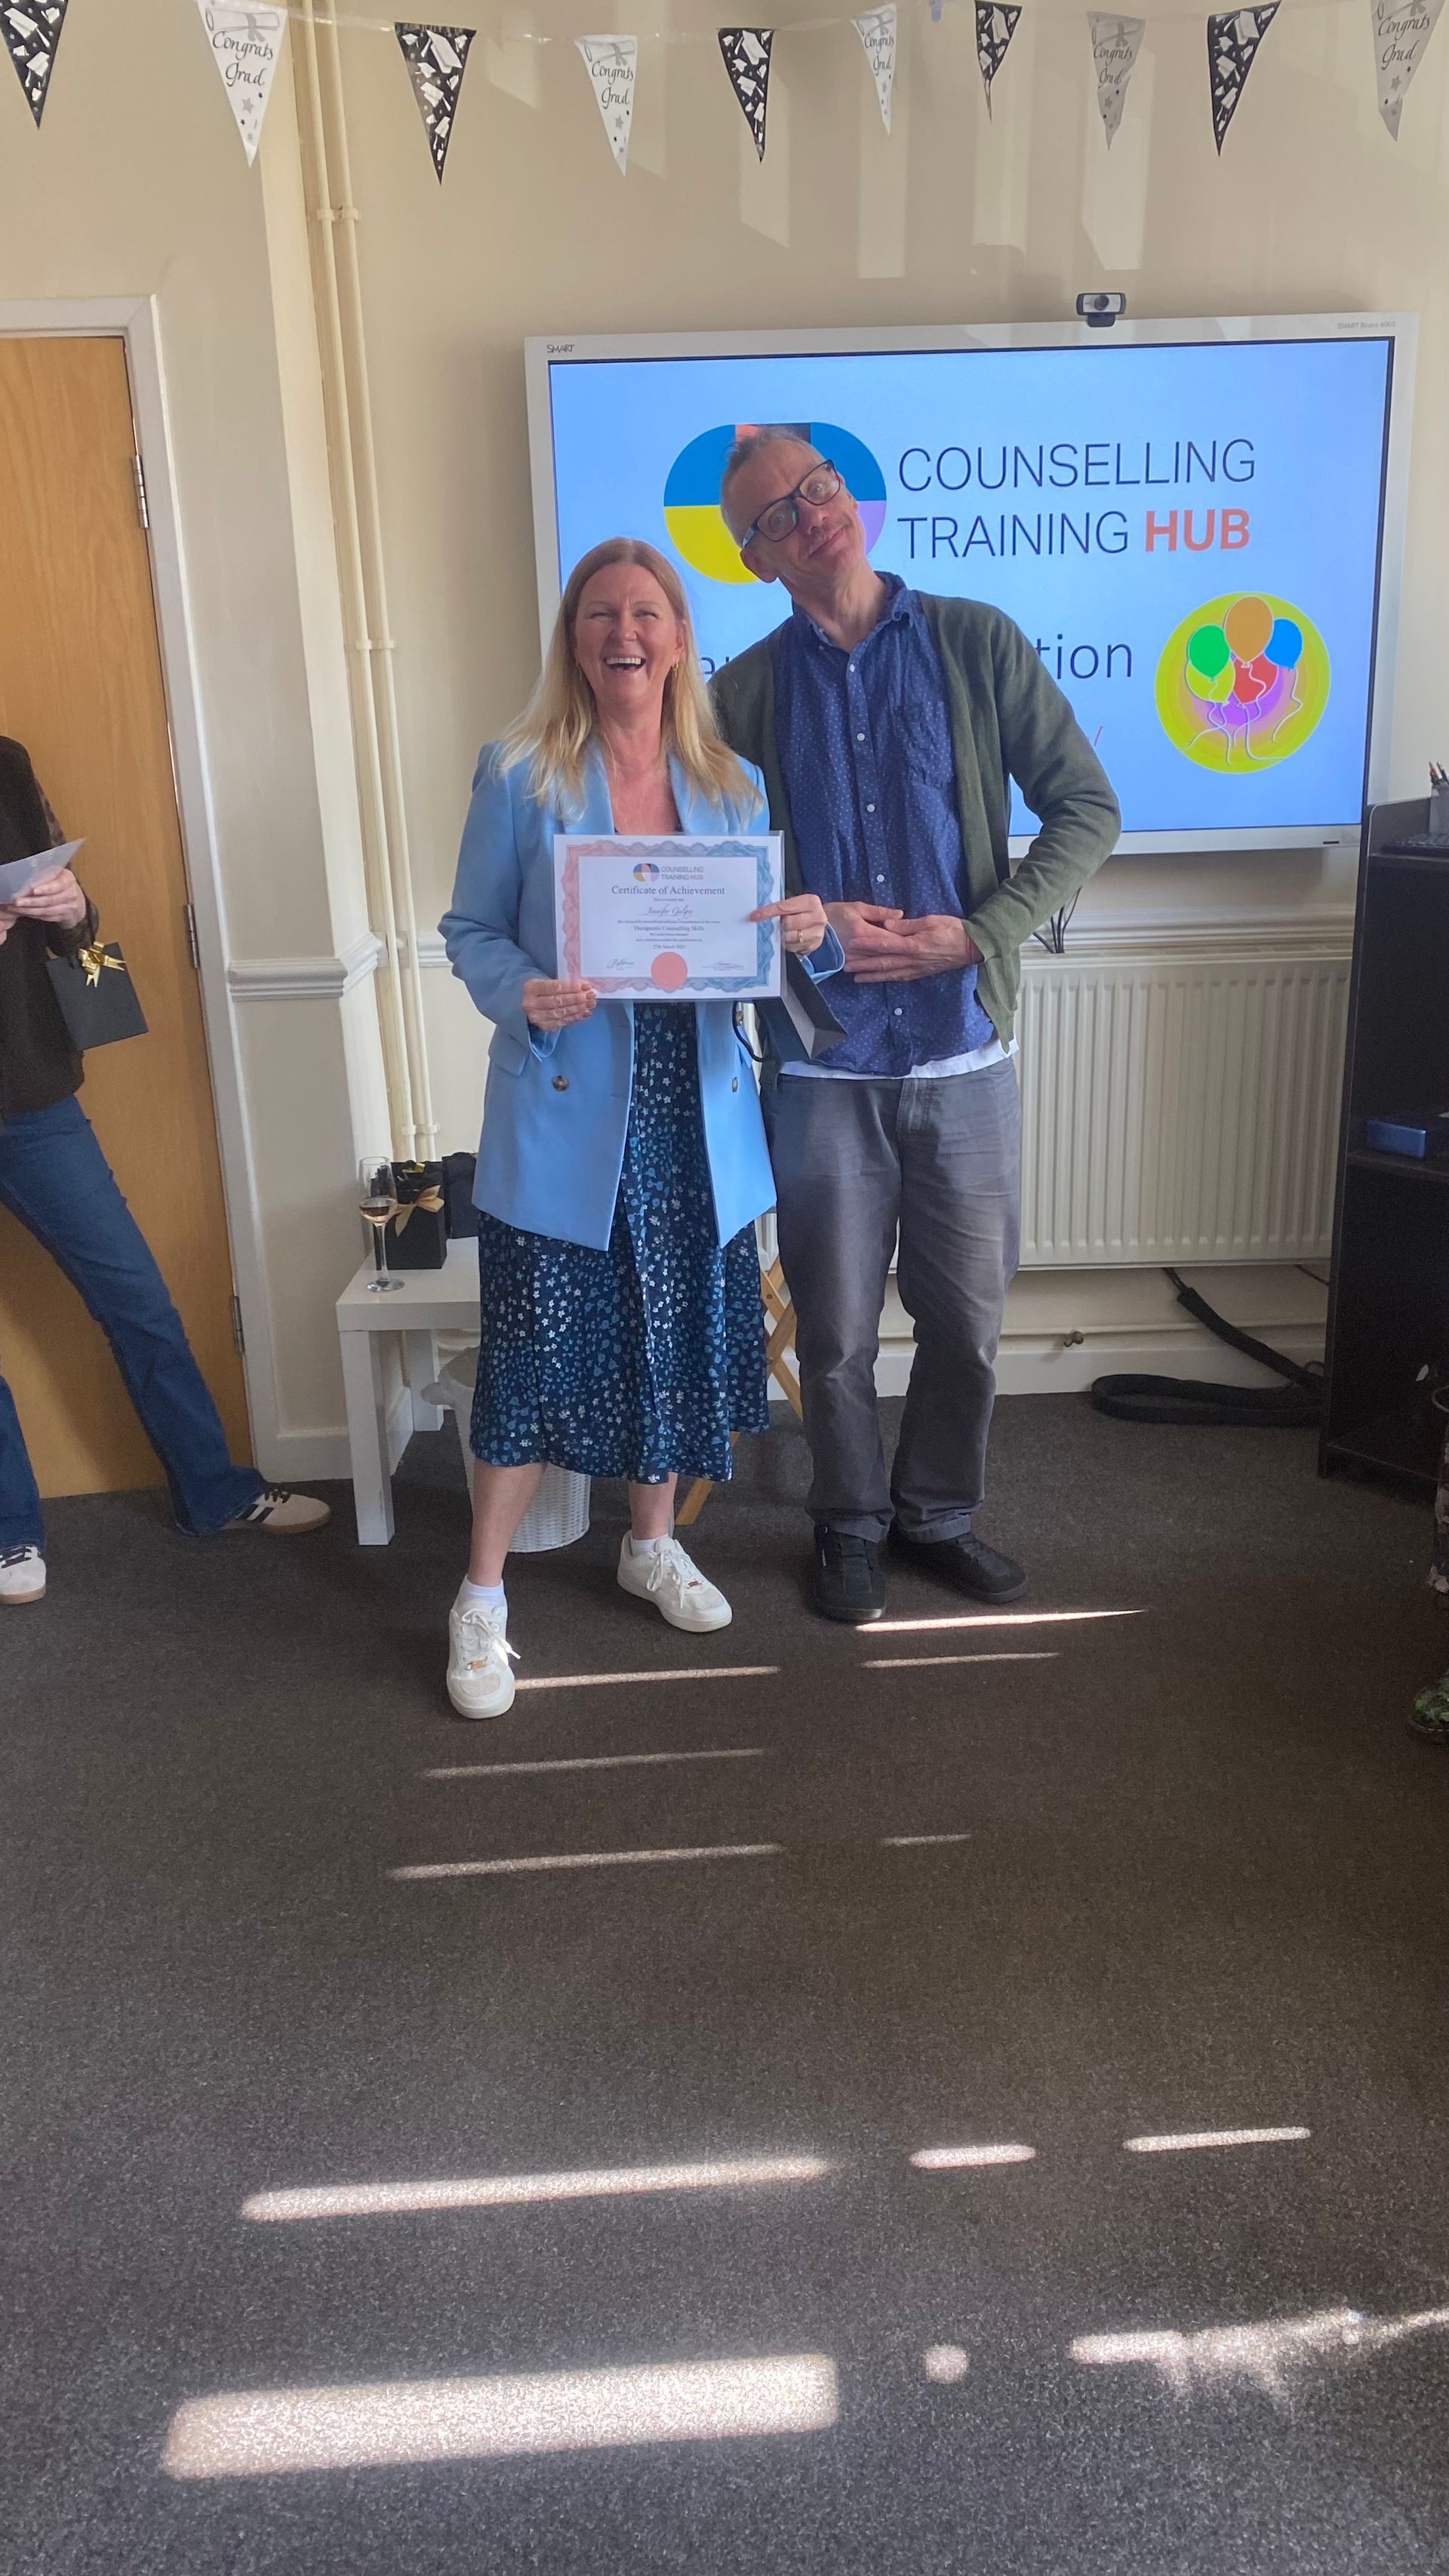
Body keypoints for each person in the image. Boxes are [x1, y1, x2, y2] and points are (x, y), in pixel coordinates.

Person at [711, 431, 1121, 1625]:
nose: (810, 516)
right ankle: (847, 1522)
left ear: (853, 498)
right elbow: (710, 884)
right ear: (753, 558)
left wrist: (977, 933)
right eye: (778, 516)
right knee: (833, 1332)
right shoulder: (738, 696)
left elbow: (1086, 808)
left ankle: (936, 1514)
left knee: (970, 1325)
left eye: (819, 489)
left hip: (964, 1052)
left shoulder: (975, 640)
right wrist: (796, 914)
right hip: (823, 1066)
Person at [440, 537, 830, 1719]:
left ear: (678, 638)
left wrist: (794, 931)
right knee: (531, 1354)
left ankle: (648, 1541)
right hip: (567, 1103)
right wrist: (525, 993)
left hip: (696, 1108)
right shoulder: (520, 771)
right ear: (575, 637)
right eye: (602, 613)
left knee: (675, 1333)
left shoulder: (734, 782)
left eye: (648, 613)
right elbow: (470, 931)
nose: (625, 633)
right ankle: (481, 1596)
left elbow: (745, 942)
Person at [0, 737, 328, 1606]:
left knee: (135, 1298)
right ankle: (7, 1532)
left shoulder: (6, 761)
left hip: (31, 1094)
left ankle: (213, 1491)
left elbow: (77, 924)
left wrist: (70, 907)